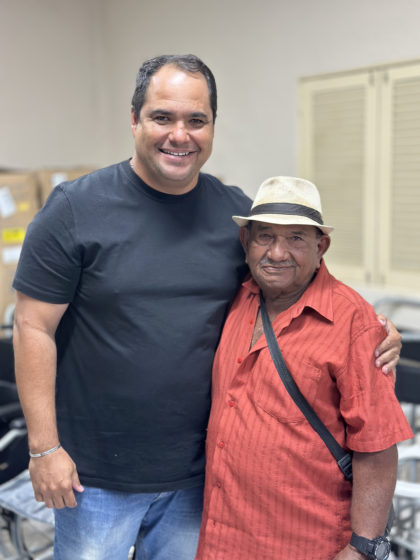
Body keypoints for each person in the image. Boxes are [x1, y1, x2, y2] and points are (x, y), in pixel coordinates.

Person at [12, 55, 400, 560]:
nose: (180, 135)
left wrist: (370, 327)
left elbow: (292, 277)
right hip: (95, 477)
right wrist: (44, 448)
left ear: (213, 126)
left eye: (196, 120)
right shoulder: (74, 210)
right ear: (134, 119)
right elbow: (32, 326)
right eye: (162, 117)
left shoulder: (232, 213)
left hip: (201, 479)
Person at [195, 176, 413, 560]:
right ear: (246, 242)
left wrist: (363, 547)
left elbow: (377, 446)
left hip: (306, 543)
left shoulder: (354, 323)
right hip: (221, 539)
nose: (277, 253)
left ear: (320, 246)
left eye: (295, 238)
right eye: (265, 237)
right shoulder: (235, 296)